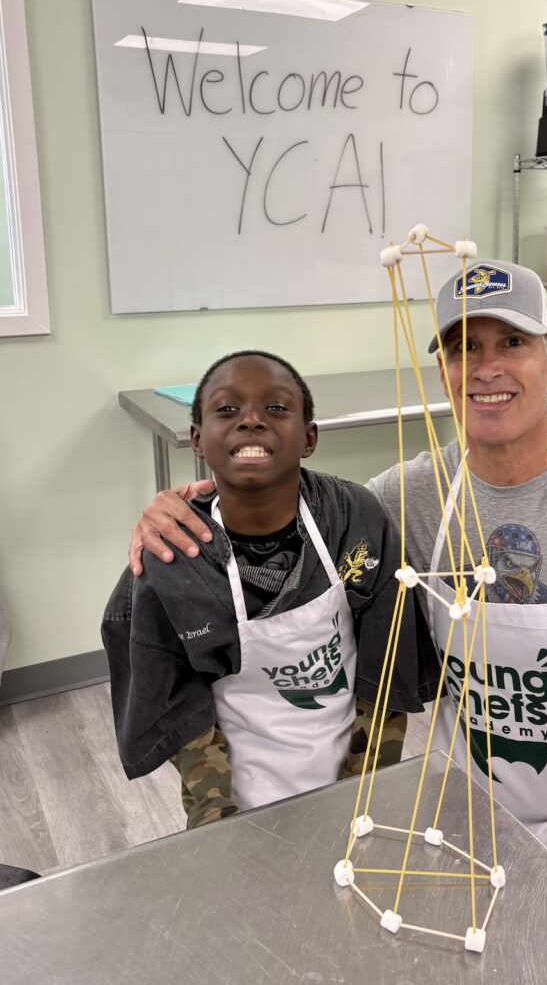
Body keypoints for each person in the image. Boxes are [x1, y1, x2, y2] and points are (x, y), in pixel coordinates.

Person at [128, 264, 547, 983]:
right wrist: (181, 515)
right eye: (462, 348)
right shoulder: (401, 502)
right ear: (442, 368)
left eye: (511, 341)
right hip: (471, 826)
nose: (486, 369)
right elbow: (271, 512)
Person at [103, 350, 437, 830]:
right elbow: (177, 705)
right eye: (227, 410)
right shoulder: (173, 556)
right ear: (197, 440)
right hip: (238, 793)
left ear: (310, 437)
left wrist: (364, 793)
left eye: (277, 408)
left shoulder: (354, 520)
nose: (252, 421)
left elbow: (386, 674)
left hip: (353, 775)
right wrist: (218, 823)